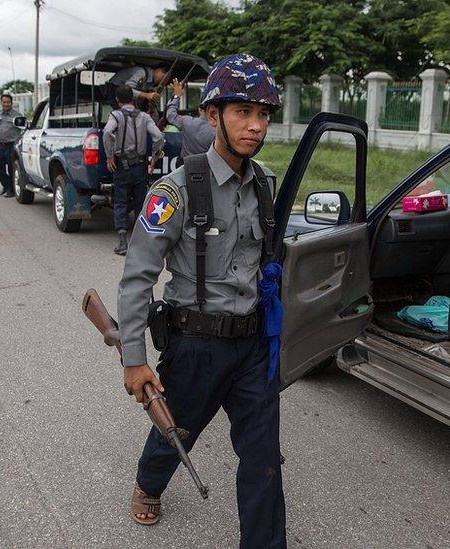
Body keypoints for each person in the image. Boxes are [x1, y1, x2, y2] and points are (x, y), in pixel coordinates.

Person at [116, 53, 285, 548]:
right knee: (178, 431)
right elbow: (137, 277)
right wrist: (134, 360)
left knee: (264, 457)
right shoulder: (175, 190)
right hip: (195, 346)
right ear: (213, 116)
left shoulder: (266, 184)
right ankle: (149, 482)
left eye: (263, 115)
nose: (255, 127)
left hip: (252, 347)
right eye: (242, 113)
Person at [103, 85, 165, 255]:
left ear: (117, 100)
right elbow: (159, 136)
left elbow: (108, 132)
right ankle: (142, 243)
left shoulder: (115, 115)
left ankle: (123, 243)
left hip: (121, 166)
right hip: (140, 166)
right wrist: (154, 157)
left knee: (121, 202)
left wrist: (109, 156)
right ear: (133, 98)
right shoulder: (144, 116)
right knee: (140, 202)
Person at [165, 78, 216, 159]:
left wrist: (176, 96)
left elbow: (170, 114)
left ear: (200, 109)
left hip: (185, 165)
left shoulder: (187, 122)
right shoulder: (217, 130)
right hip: (206, 166)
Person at [0, 93, 24, 197]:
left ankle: (11, 189)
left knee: (11, 168)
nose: (6, 104)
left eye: (8, 102)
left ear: (11, 103)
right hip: (0, 145)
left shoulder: (17, 116)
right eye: (4, 102)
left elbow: (23, 130)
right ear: (1, 103)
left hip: (11, 146)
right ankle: (6, 186)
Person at [106, 64, 172, 107]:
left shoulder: (151, 83)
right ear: (158, 71)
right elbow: (127, 90)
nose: (163, 80)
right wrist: (147, 95)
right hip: (115, 88)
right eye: (163, 77)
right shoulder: (142, 72)